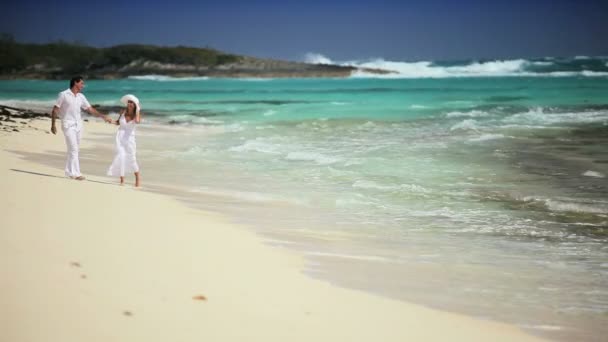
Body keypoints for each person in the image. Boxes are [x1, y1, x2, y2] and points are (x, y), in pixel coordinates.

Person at [51, 76, 112, 180]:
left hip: (79, 125)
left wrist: (103, 116)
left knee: (74, 150)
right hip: (67, 124)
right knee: (74, 149)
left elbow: (90, 109)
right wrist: (53, 124)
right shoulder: (63, 94)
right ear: (75, 83)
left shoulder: (81, 96)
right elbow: (55, 109)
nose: (83, 85)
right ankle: (76, 174)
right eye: (82, 83)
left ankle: (69, 172)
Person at [107, 94, 142, 187]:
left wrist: (138, 110)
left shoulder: (136, 114)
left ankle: (137, 177)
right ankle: (122, 180)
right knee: (121, 157)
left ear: (135, 105)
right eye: (129, 102)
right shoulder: (123, 112)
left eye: (132, 102)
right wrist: (111, 121)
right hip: (120, 137)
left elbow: (138, 121)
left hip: (130, 139)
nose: (130, 104)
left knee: (132, 159)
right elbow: (118, 122)